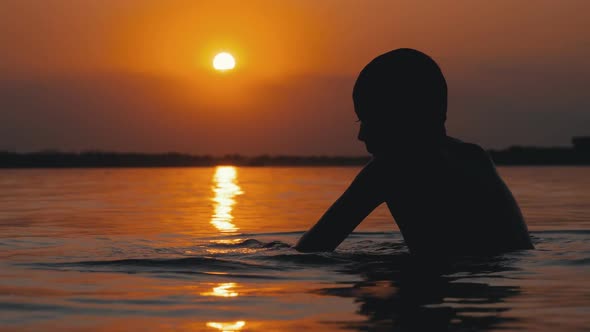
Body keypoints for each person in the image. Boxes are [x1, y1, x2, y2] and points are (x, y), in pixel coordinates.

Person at [295, 48, 533, 256]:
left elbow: (313, 248)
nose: (362, 135)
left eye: (370, 120)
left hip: (443, 283)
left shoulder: (389, 169)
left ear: (403, 118)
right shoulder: (475, 157)